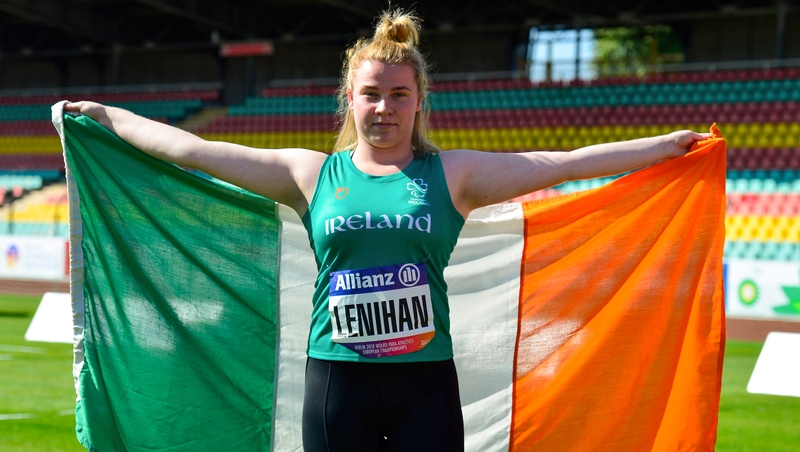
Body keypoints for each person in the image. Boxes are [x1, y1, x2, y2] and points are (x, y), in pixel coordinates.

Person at [65, 8, 710, 452]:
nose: (384, 107)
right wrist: (105, 115)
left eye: (399, 94)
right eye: (371, 93)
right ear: (350, 99)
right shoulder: (309, 173)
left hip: (424, 386)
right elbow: (191, 150)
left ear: (419, 100)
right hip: (336, 386)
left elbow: (564, 164)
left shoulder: (451, 175)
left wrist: (665, 145)